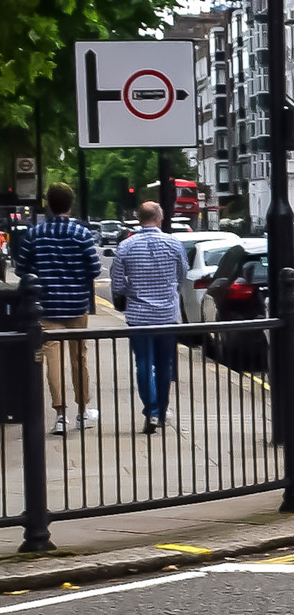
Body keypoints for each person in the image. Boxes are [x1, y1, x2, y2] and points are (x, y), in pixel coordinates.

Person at [18, 184, 100, 434]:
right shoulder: (81, 233)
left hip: (46, 307)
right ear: (70, 204)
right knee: (79, 357)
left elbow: (22, 269)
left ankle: (60, 414)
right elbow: (95, 269)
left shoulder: (35, 234)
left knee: (52, 359)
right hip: (76, 305)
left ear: (49, 204)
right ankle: (82, 412)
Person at [110, 201, 188, 434]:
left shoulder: (126, 246)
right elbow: (182, 276)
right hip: (166, 314)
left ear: (139, 218)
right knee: (165, 364)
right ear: (160, 217)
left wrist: (131, 292)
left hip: (139, 315)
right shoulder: (173, 244)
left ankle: (151, 411)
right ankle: (162, 411)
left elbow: (116, 284)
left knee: (143, 363)